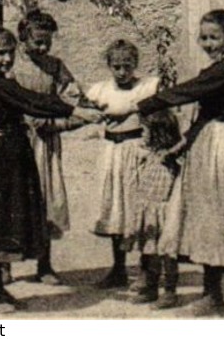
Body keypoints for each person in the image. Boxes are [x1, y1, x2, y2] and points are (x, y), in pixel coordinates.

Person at [124, 10, 224, 317]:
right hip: (206, 145)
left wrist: (139, 104)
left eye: (214, 37)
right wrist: (185, 142)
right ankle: (212, 296)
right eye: (204, 37)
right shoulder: (219, 68)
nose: (207, 43)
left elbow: (187, 91)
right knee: (206, 218)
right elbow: (203, 113)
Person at [0, 30, 102, 313]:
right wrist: (77, 112)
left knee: (6, 217)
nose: (6, 58)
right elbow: (33, 101)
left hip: (11, 152)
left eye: (10, 52)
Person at [12, 11, 84, 284]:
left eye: (47, 42)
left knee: (45, 199)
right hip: (18, 140)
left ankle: (45, 264)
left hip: (45, 142)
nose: (43, 48)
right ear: (23, 39)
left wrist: (58, 120)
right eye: (37, 42)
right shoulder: (14, 65)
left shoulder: (55, 67)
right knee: (16, 199)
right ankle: (7, 263)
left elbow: (73, 96)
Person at [83, 39, 161, 289]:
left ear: (135, 65)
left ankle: (147, 269)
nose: (122, 72)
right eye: (116, 67)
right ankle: (118, 268)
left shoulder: (145, 88)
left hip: (134, 150)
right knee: (115, 206)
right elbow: (83, 107)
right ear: (109, 66)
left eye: (127, 66)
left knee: (138, 207)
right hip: (111, 152)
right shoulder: (101, 90)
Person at [123, 108, 183, 309]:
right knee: (147, 252)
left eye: (145, 130)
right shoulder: (149, 154)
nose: (142, 134)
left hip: (163, 213)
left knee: (167, 254)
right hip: (148, 212)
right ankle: (150, 287)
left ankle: (170, 292)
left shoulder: (169, 159)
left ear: (158, 133)